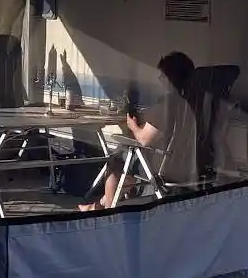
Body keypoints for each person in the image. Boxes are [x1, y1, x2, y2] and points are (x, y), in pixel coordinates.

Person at [79, 51, 199, 211]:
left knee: (116, 162)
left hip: (162, 168)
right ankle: (96, 207)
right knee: (127, 164)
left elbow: (144, 139)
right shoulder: (187, 106)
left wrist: (132, 126)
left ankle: (107, 213)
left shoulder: (166, 105)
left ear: (169, 78)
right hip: (183, 166)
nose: (159, 79)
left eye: (162, 75)